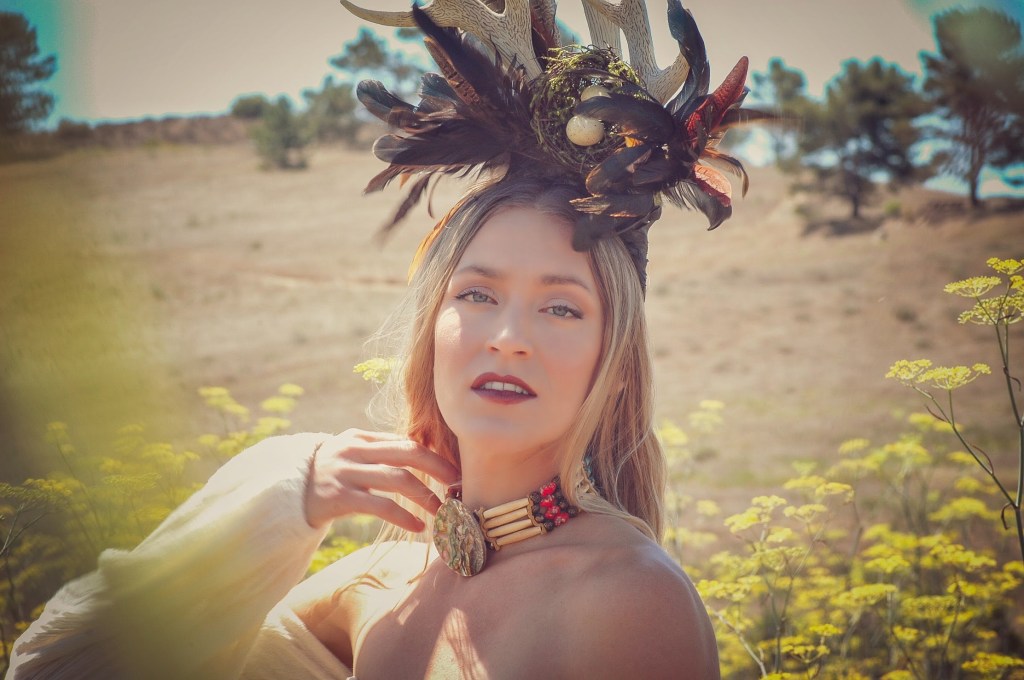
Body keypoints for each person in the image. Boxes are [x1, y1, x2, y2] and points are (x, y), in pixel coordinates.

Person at [9, 1, 769, 677]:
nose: (508, 338)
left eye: (562, 308)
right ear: (431, 328)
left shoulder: (625, 601)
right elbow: (60, 665)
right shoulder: (381, 582)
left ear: (618, 364)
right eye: (476, 294)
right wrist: (289, 487)